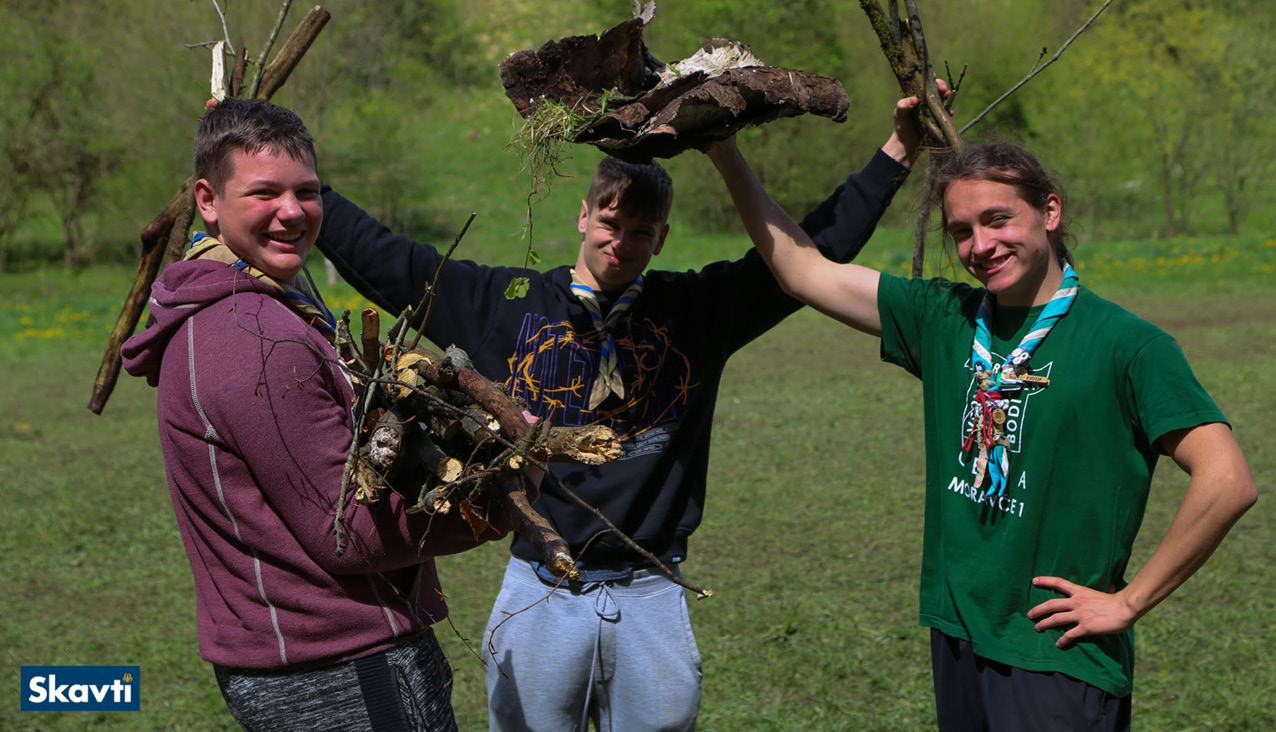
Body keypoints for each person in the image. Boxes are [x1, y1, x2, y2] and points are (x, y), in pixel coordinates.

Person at [314, 109, 923, 728]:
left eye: (640, 230)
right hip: (539, 588)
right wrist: (301, 190)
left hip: (651, 591)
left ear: (660, 238)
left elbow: (810, 252)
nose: (619, 242)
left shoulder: (693, 311)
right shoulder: (502, 304)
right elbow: (387, 260)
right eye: (609, 223)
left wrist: (898, 150)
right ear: (583, 215)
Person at [707, 97, 1259, 730]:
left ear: (1049, 210)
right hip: (959, 632)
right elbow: (801, 269)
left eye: (998, 220)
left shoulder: (1128, 345)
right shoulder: (945, 319)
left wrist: (1128, 603)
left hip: (1055, 654)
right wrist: (724, 150)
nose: (980, 245)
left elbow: (1227, 481)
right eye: (961, 231)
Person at [122, 97, 526, 732]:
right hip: (340, 670)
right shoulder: (253, 338)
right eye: (264, 193)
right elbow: (348, 530)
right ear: (207, 200)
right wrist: (498, 504)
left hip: (299, 657)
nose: (292, 212)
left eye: (307, 192)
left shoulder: (232, 310)